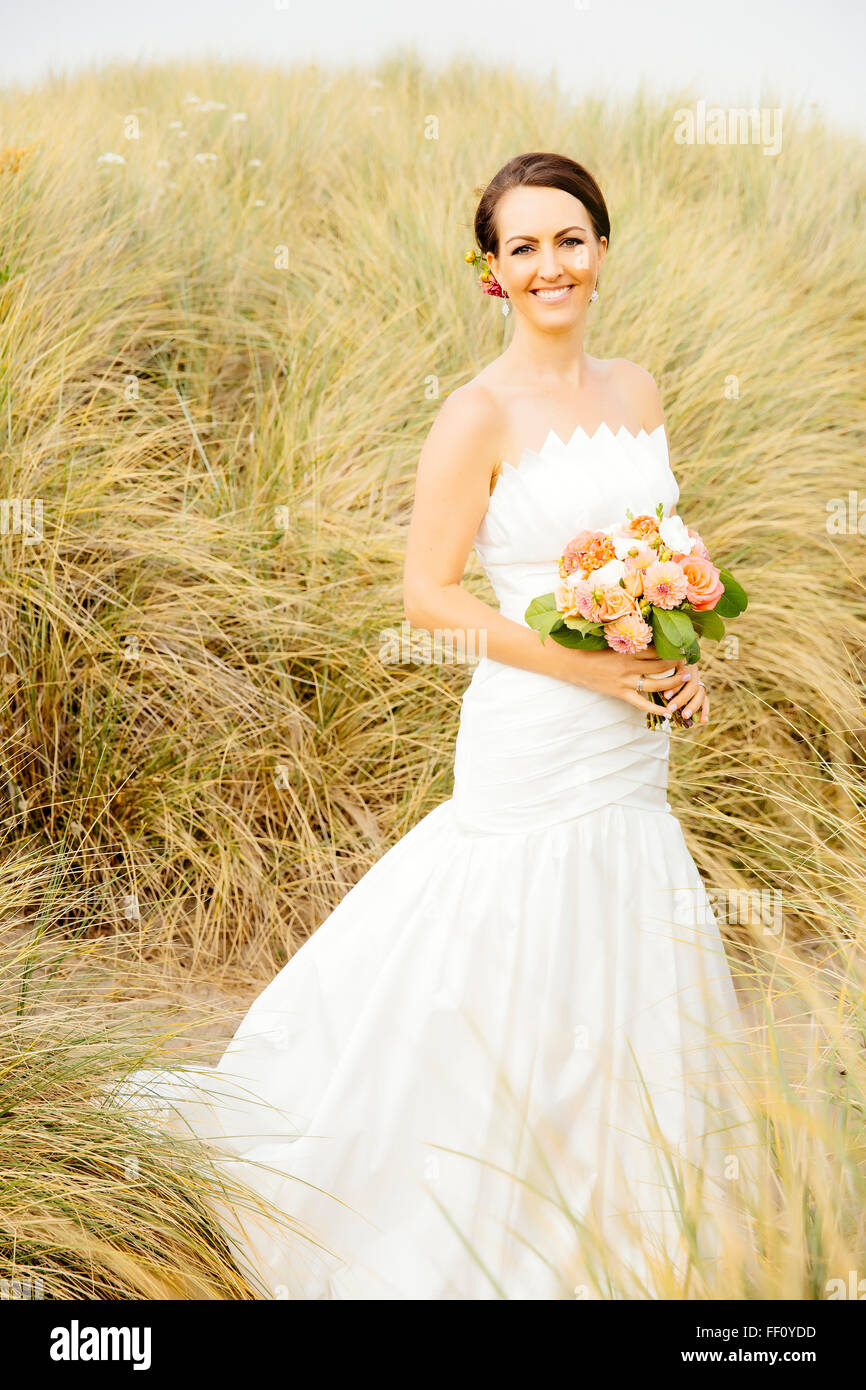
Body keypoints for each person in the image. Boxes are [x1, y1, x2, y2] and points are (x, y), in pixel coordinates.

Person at [109, 151, 757, 1300]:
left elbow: (655, 556)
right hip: (533, 732)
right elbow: (429, 598)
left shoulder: (638, 392)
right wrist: (584, 668)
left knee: (624, 955)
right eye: (522, 248)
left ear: (601, 250)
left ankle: (621, 1230)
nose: (548, 264)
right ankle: (448, 1213)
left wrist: (676, 662)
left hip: (629, 748)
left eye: (569, 239)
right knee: (499, 963)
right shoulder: (476, 414)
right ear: (490, 276)